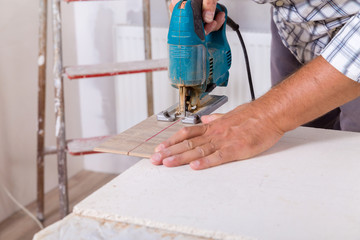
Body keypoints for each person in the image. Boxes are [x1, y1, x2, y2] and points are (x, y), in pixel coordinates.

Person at [151, 0, 360, 170]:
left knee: (349, 159)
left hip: (351, 27)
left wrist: (266, 116)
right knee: (297, 151)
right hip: (290, 19)